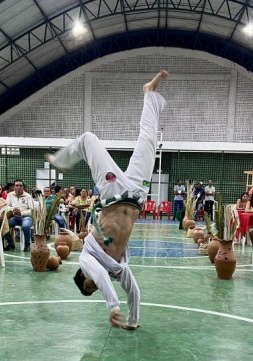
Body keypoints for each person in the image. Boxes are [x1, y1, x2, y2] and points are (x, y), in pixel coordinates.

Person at [47, 70, 168, 330]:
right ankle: (149, 93)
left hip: (112, 194)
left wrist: (112, 305)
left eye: (89, 284)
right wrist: (131, 322)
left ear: (83, 275)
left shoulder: (86, 260)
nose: (97, 284)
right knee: (149, 141)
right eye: (95, 288)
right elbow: (134, 293)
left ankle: (60, 161)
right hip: (137, 195)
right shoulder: (119, 270)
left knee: (89, 139)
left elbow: (100, 276)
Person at [4, 179, 35, 251]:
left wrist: (21, 213)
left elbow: (32, 210)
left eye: (20, 185)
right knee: (2, 225)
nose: (18, 187)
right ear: (14, 187)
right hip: (14, 217)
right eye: (16, 185)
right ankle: (10, 243)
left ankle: (27, 245)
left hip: (26, 217)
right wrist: (13, 209)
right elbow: (6, 206)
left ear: (23, 187)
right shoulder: (10, 195)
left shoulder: (28, 196)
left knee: (26, 226)